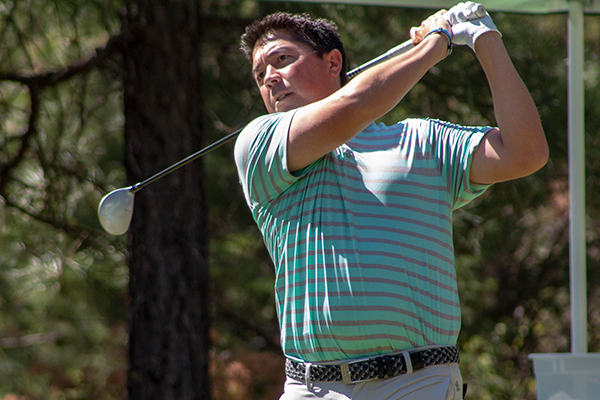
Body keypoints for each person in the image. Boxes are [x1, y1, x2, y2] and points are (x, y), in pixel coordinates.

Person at [234, 3, 548, 399]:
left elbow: (526, 152)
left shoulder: (422, 140)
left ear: (333, 63)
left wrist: (484, 38)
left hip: (419, 380)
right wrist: (435, 44)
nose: (270, 78)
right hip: (313, 387)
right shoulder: (260, 144)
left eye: (282, 59)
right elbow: (356, 104)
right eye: (260, 73)